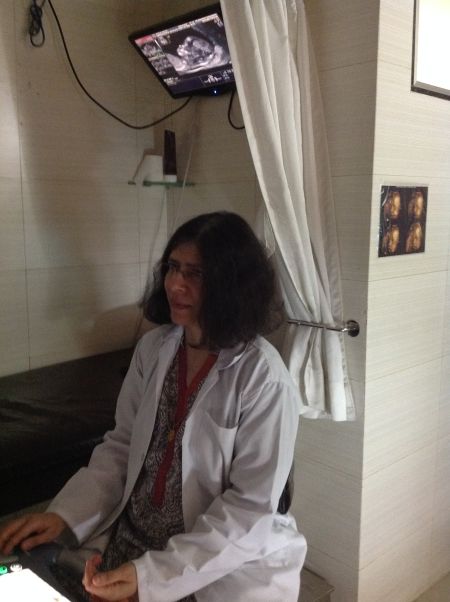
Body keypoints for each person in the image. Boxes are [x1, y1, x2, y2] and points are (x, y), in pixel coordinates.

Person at [0, 212, 306, 602]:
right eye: (173, 267)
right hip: (133, 538)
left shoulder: (263, 378)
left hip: (212, 562)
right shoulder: (155, 348)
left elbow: (250, 509)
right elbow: (122, 446)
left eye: (195, 273)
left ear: (232, 283)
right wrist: (64, 516)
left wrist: (150, 577)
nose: (175, 283)